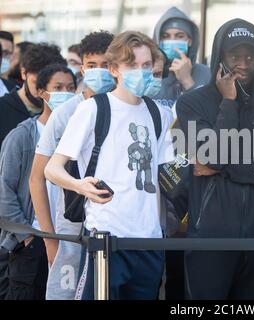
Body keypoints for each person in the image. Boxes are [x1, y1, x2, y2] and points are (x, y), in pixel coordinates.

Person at [44, 31, 174, 300]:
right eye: (132, 65)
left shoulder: (159, 113)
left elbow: (163, 179)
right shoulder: (93, 109)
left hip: (149, 240)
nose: (141, 72)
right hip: (106, 239)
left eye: (146, 65)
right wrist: (80, 185)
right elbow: (51, 169)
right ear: (114, 69)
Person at [177, 18, 254, 299]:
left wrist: (223, 169)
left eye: (250, 56)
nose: (243, 63)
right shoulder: (192, 103)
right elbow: (212, 156)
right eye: (234, 55)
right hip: (210, 239)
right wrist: (228, 101)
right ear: (219, 57)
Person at [29, 30, 114, 300]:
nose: (98, 72)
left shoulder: (129, 109)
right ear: (81, 67)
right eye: (91, 65)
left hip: (115, 224)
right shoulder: (66, 113)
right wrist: (50, 240)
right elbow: (37, 177)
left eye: (104, 65)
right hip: (71, 225)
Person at [0, 63, 76, 300]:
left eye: (71, 88)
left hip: (68, 240)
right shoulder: (23, 136)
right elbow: (4, 191)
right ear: (42, 92)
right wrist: (28, 235)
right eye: (58, 87)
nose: (66, 93)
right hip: (30, 243)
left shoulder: (79, 133)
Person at [0, 43, 66, 148]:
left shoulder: (62, 112)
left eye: (52, 86)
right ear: (23, 73)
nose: (42, 91)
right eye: (36, 83)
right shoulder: (3, 108)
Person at [153, 6, 210, 108]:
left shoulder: (206, 74)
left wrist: (188, 82)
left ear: (190, 41)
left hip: (191, 124)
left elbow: (203, 118)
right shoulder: (149, 73)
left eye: (179, 36)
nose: (172, 40)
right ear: (158, 40)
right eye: (165, 36)